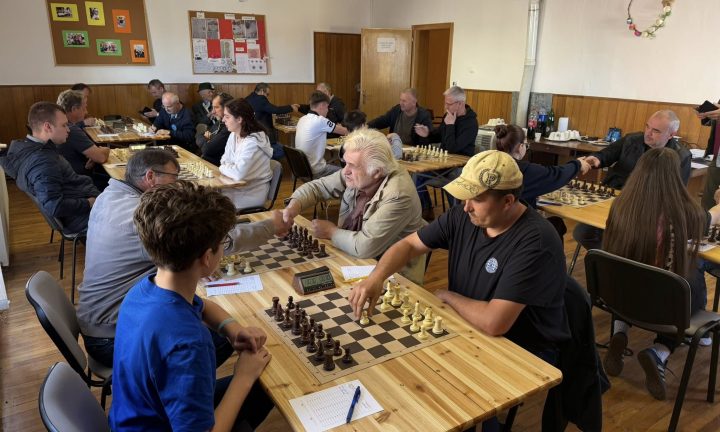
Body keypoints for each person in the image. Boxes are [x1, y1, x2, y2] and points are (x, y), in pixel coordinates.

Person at [349, 149, 570, 431]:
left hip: (520, 347)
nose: (466, 207)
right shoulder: (464, 216)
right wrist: (376, 278)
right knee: (397, 369)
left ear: (508, 201)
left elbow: (495, 322)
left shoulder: (535, 241)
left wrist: (447, 296)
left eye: (476, 199)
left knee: (432, 393)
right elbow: (409, 245)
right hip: (467, 326)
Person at [77, 148, 288, 368]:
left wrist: (192, 267)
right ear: (150, 176)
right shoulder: (141, 218)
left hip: (102, 317)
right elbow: (215, 238)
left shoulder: (108, 196)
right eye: (174, 178)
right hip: (112, 336)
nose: (177, 185)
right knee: (222, 341)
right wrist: (270, 227)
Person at [109, 180, 274, 431]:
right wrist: (243, 377)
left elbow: (201, 305)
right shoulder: (189, 344)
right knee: (259, 385)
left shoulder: (145, 289)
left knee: (261, 389)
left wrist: (233, 329)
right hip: (156, 425)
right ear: (207, 258)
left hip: (133, 417)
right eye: (223, 244)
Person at [601, 147, 720, 401]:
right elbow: (711, 217)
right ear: (673, 176)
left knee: (630, 275)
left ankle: (619, 333)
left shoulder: (620, 205)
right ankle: (659, 351)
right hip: (661, 309)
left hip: (616, 297)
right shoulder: (684, 214)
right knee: (688, 281)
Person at [283, 128, 427, 283]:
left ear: (376, 172)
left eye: (351, 165)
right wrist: (294, 206)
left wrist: (331, 232)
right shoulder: (362, 173)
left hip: (391, 277)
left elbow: (364, 247)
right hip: (353, 259)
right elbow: (318, 187)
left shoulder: (399, 195)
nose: (345, 171)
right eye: (345, 163)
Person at [573, 110, 692, 251]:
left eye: (655, 131)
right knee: (583, 233)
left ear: (671, 134)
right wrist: (597, 158)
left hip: (647, 209)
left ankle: (615, 258)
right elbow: (607, 154)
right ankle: (610, 257)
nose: (648, 133)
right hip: (614, 199)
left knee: (632, 241)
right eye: (647, 126)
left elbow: (675, 194)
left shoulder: (681, 156)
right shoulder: (631, 139)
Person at [0, 102, 98, 233]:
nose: (68, 129)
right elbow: (54, 206)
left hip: (82, 204)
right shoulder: (43, 162)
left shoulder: (32, 149)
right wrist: (89, 203)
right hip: (81, 216)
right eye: (64, 125)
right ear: (47, 127)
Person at [413, 86, 479, 218]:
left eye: (449, 104)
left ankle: (455, 216)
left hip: (460, 167)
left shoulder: (471, 123)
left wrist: (450, 125)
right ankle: (426, 209)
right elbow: (439, 135)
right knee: (417, 174)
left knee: (452, 182)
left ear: (460, 103)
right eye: (445, 103)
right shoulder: (449, 116)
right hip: (444, 163)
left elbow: (452, 148)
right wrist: (427, 133)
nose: (445, 107)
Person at [493, 124, 590, 207]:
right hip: (515, 221)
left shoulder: (491, 163)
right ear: (520, 147)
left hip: (492, 219)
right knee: (557, 221)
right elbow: (556, 175)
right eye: (526, 145)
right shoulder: (525, 170)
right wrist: (578, 164)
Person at [220, 98, 274, 210]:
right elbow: (224, 160)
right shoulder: (233, 135)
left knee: (210, 205)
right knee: (205, 199)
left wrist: (223, 167)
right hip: (235, 187)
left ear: (239, 119)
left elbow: (239, 174)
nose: (223, 120)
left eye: (227, 117)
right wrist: (230, 167)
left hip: (252, 193)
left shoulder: (253, 142)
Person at [55, 90, 110, 183]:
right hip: (79, 182)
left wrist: (92, 157)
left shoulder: (57, 127)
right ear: (74, 109)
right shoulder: (71, 130)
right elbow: (101, 157)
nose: (86, 112)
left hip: (67, 178)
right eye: (84, 108)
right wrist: (106, 149)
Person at [294, 91, 348, 178]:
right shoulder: (320, 120)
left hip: (302, 170)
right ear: (322, 105)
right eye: (327, 107)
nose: (327, 110)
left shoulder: (302, 119)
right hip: (316, 171)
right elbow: (345, 132)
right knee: (349, 174)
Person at [245, 82, 300, 160]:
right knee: (286, 151)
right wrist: (291, 107)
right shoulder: (260, 99)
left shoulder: (248, 98)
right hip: (264, 135)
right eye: (267, 94)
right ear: (261, 91)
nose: (267, 97)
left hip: (252, 134)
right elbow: (275, 110)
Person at [367, 88, 433, 146]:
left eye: (404, 101)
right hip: (395, 147)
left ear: (414, 102)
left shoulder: (424, 116)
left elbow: (427, 138)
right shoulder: (396, 110)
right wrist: (366, 126)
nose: (401, 103)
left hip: (412, 151)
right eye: (400, 100)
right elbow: (382, 120)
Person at [197, 92, 233, 166]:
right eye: (212, 107)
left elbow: (207, 150)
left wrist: (207, 140)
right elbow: (198, 136)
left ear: (226, 107)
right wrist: (207, 141)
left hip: (217, 166)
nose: (213, 112)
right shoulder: (219, 122)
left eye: (216, 107)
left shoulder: (229, 128)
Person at [699, 100, 720, 211]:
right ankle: (706, 221)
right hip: (717, 158)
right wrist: (705, 115)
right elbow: (713, 122)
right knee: (708, 201)